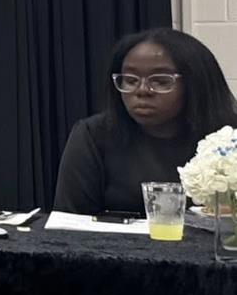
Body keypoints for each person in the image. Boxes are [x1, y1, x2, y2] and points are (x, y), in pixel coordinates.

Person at [54, 27, 237, 214]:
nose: (142, 91)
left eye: (160, 81)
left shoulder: (229, 136)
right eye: (131, 80)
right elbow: (69, 222)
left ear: (195, 84)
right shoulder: (93, 135)